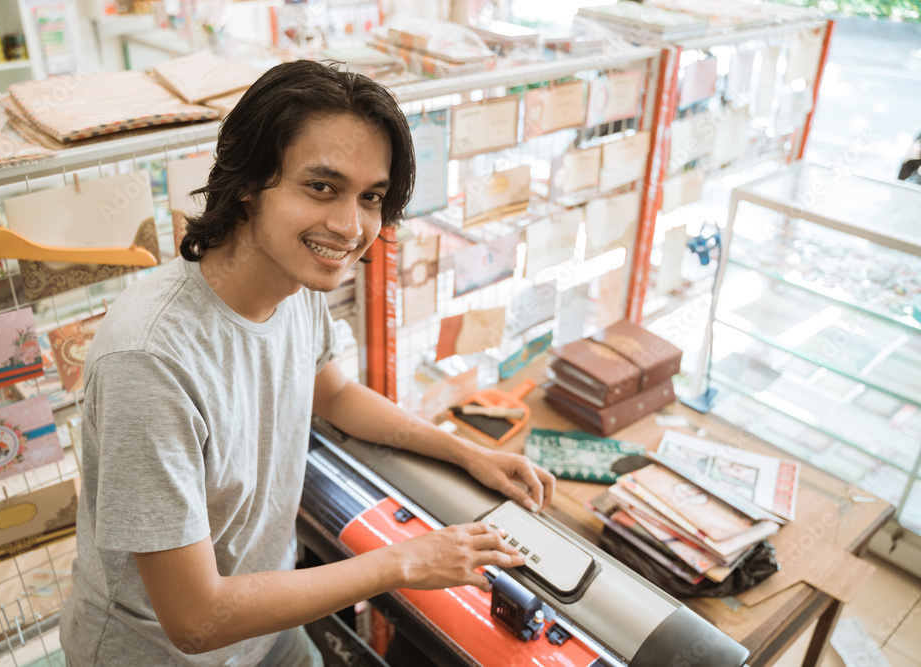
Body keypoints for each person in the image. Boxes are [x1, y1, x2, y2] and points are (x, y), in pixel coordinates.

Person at [59, 60, 555, 666]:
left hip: (264, 623)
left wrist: (465, 451)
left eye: (370, 197)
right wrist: (404, 561)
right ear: (247, 181)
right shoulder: (150, 362)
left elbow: (335, 395)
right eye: (322, 187)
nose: (350, 227)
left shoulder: (293, 284)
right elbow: (194, 619)